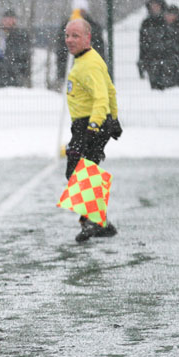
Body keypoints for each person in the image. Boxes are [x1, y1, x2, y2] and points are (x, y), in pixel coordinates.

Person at [63, 18, 121, 242]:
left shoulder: (89, 64)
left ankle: (93, 222)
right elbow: (110, 90)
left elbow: (101, 97)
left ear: (88, 37)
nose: (69, 40)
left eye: (75, 36)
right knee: (86, 169)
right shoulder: (87, 59)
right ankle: (99, 222)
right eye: (67, 35)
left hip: (89, 124)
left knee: (79, 170)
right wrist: (114, 118)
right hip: (89, 123)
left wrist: (94, 126)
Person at [53, 0, 105, 90]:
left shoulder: (93, 27)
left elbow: (99, 49)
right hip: (73, 69)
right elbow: (61, 52)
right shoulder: (66, 27)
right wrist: (61, 74)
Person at [0, 9, 32, 88]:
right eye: (5, 20)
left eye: (10, 19)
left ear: (15, 20)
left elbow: (23, 56)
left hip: (15, 78)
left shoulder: (21, 35)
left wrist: (20, 74)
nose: (8, 22)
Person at [138, 0, 170, 89]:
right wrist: (142, 61)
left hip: (168, 61)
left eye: (157, 5)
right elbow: (142, 44)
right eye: (153, 5)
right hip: (151, 61)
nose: (155, 7)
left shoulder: (167, 21)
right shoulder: (146, 23)